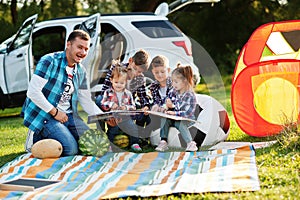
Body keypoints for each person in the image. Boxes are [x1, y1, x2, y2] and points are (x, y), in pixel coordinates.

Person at [22, 29, 103, 156]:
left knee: (95, 145)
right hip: (45, 115)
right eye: (80, 47)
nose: (83, 52)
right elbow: (33, 92)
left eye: (86, 49)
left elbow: (86, 100)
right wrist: (55, 112)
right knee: (71, 150)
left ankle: (61, 135)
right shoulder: (49, 61)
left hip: (69, 116)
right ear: (68, 45)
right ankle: (35, 137)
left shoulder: (81, 70)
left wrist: (105, 116)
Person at [96, 49, 151, 136]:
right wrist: (111, 109)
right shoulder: (117, 69)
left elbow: (143, 97)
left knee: (143, 109)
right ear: (130, 61)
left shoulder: (140, 78)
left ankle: (139, 135)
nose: (136, 73)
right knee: (99, 99)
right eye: (135, 69)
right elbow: (104, 91)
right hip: (112, 103)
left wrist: (146, 106)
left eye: (140, 72)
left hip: (125, 106)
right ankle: (101, 132)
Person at [155, 64, 198, 152]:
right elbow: (165, 101)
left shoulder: (189, 95)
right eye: (172, 81)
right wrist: (163, 107)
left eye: (176, 82)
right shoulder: (173, 91)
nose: (173, 84)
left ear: (185, 81)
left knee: (180, 123)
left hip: (186, 119)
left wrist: (174, 110)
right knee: (164, 118)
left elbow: (187, 113)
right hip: (173, 117)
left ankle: (191, 143)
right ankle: (163, 141)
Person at [100, 64, 142, 152]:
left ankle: (134, 143)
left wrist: (126, 107)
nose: (119, 85)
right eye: (116, 82)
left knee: (133, 128)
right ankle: (109, 145)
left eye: (122, 83)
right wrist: (111, 104)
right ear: (111, 80)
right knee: (112, 130)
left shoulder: (128, 94)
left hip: (126, 118)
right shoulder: (108, 93)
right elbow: (103, 103)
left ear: (126, 82)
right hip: (114, 118)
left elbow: (133, 107)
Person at [143, 55, 174, 138]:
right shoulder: (153, 86)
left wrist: (163, 106)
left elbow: (173, 100)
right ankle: (144, 137)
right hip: (159, 113)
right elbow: (154, 100)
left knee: (158, 118)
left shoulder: (174, 84)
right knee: (147, 115)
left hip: (172, 111)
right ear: (153, 72)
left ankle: (149, 136)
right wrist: (152, 106)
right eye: (156, 72)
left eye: (162, 72)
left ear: (168, 70)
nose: (160, 75)